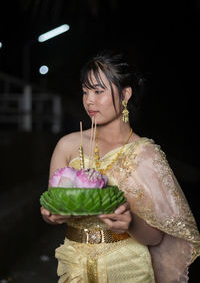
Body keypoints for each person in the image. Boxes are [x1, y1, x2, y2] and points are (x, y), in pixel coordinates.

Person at [41, 50, 200, 283]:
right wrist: (51, 215)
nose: (89, 100)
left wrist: (131, 222)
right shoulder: (67, 145)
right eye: (85, 91)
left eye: (98, 91)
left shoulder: (145, 153)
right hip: (74, 265)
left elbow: (155, 238)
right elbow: (51, 208)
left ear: (125, 94)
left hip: (128, 268)